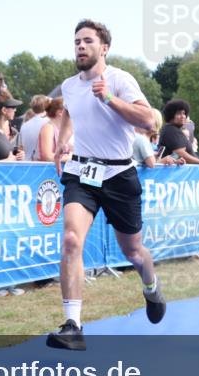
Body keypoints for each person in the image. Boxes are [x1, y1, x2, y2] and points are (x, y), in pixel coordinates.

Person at [45, 19, 162, 351]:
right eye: (76, 41)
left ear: (104, 48)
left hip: (119, 176)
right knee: (70, 240)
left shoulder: (120, 80)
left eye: (87, 41)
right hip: (81, 172)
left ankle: (151, 286)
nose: (80, 46)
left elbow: (149, 121)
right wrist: (64, 140)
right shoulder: (69, 85)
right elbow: (69, 112)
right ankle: (73, 326)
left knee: (134, 252)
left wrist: (110, 98)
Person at [157, 99, 199, 165]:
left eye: (184, 113)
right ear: (171, 115)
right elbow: (180, 153)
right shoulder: (171, 130)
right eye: (179, 113)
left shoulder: (172, 129)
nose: (183, 116)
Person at [36, 97, 68, 163]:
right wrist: (69, 158)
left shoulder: (63, 129)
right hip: (49, 170)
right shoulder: (48, 128)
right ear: (60, 112)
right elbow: (47, 156)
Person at [20, 94, 51, 160]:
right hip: (44, 165)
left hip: (27, 164)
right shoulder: (49, 123)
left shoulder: (24, 126)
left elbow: (21, 147)